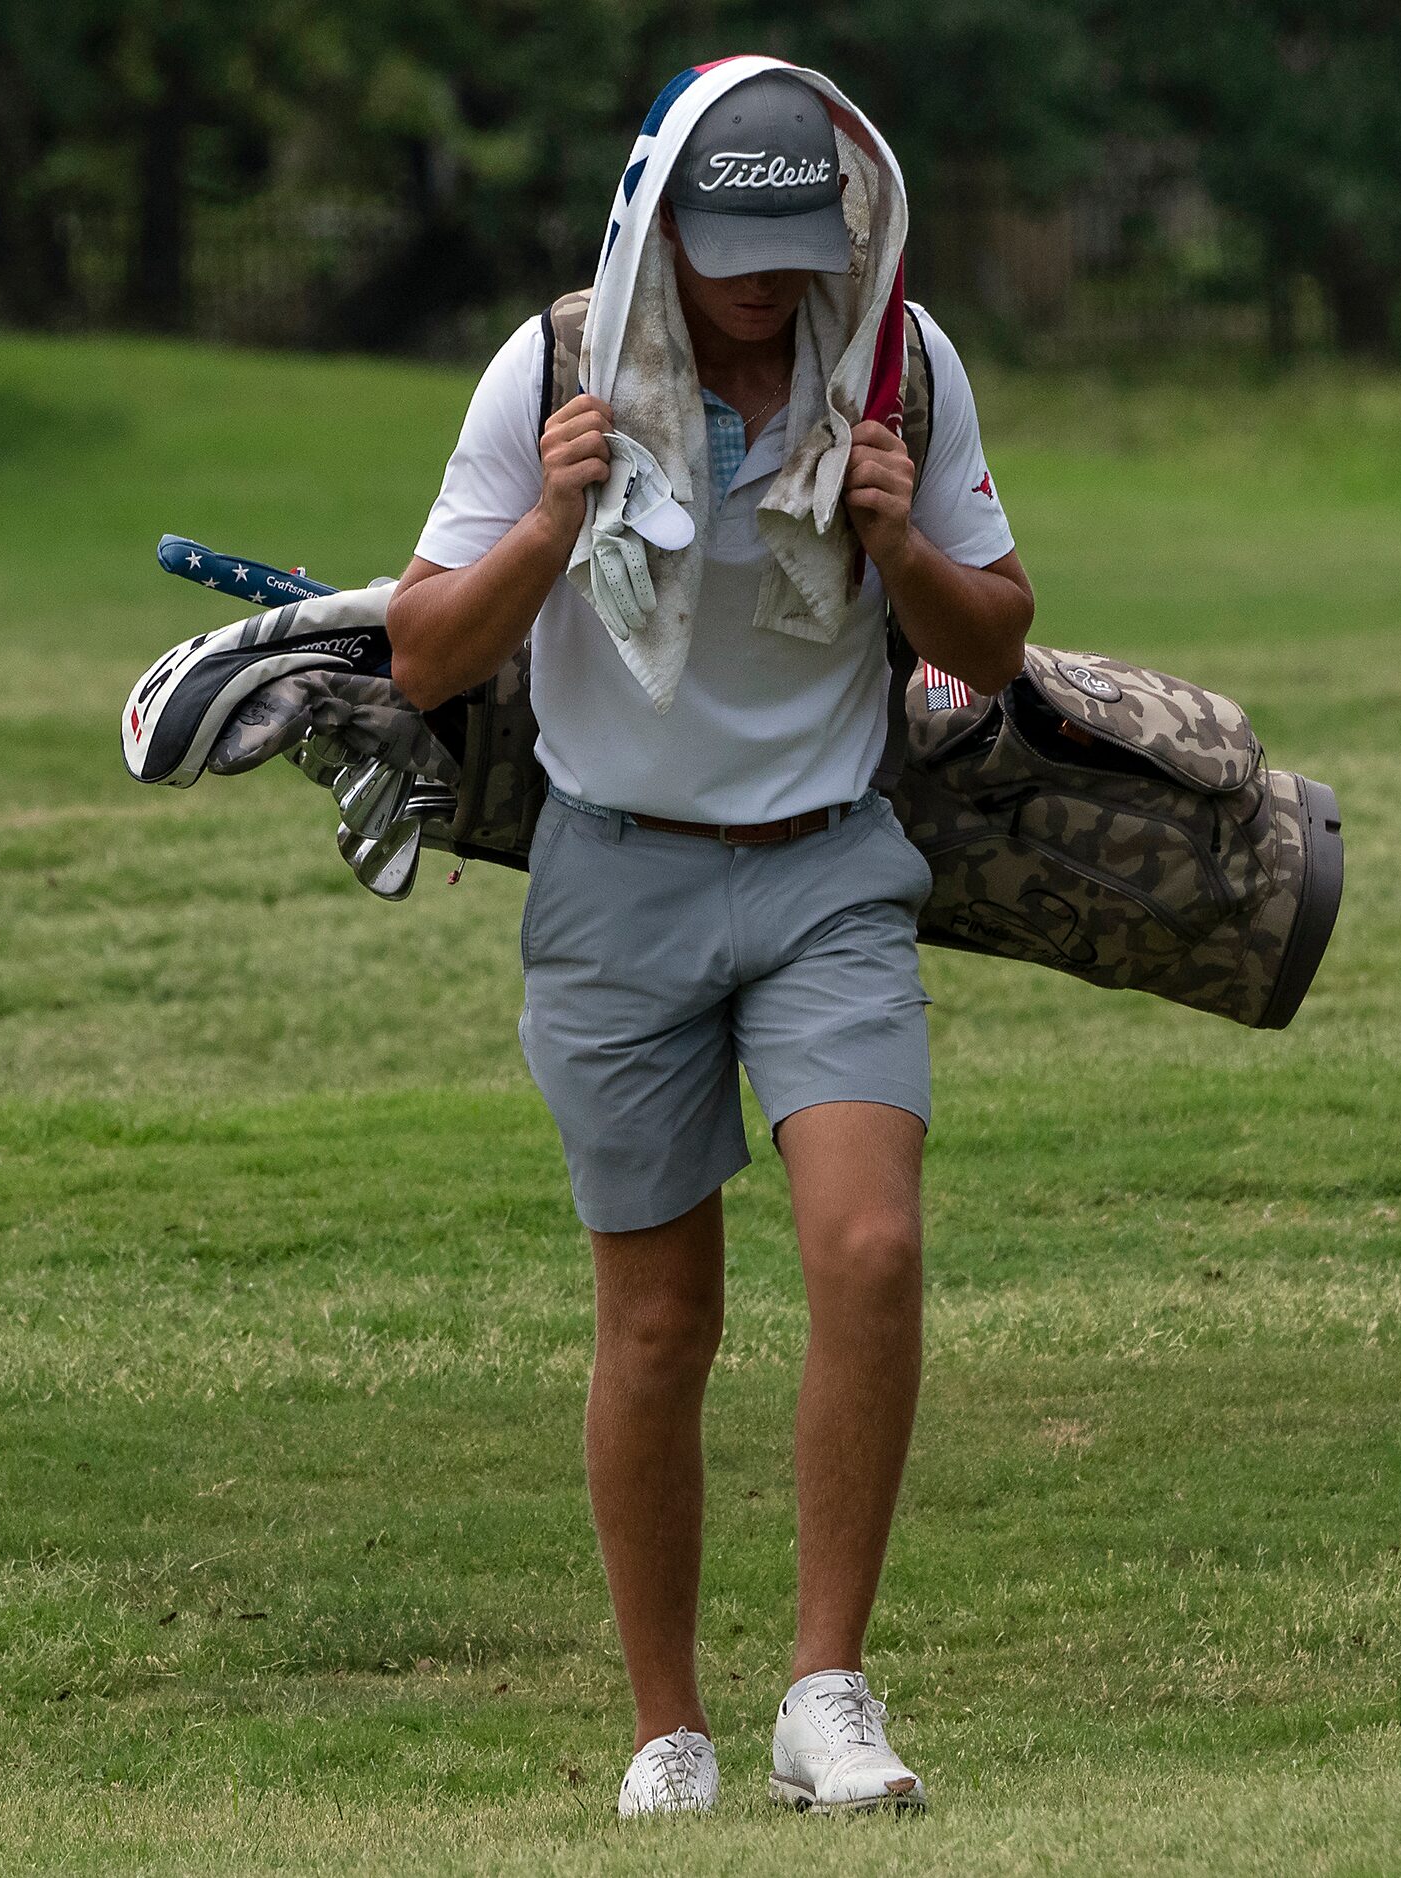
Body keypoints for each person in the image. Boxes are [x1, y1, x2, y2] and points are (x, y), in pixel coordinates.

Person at [387, 60, 1032, 1818]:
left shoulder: (898, 366)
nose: (761, 284)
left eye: (790, 244)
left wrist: (899, 544)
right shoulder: (554, 372)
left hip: (829, 869)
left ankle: (827, 1691)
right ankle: (667, 1726)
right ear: (657, 221)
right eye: (725, 243)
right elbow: (430, 653)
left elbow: (994, 639)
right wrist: (548, 519)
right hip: (618, 883)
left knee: (873, 1249)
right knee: (662, 1326)